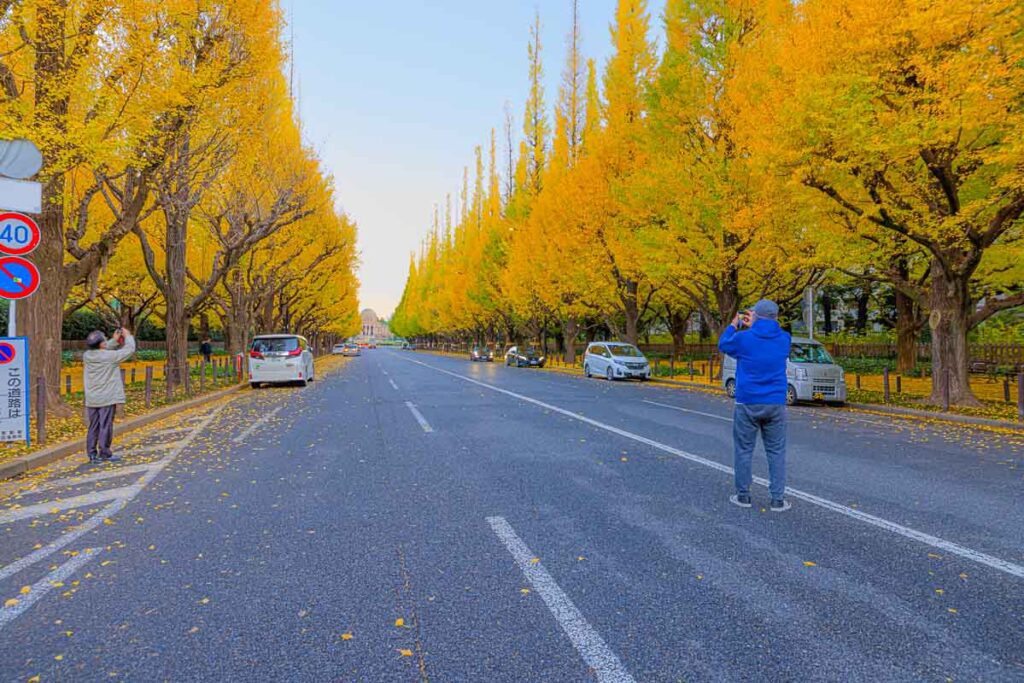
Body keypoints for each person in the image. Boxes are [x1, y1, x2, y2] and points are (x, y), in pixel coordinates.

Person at [717, 299, 792, 511]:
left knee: (744, 450)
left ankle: (743, 495)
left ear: (755, 316)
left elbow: (724, 344)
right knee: (776, 451)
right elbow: (769, 338)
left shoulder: (743, 339)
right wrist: (758, 323)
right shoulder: (785, 339)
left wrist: (735, 325)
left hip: (747, 401)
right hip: (776, 402)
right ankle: (777, 498)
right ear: (776, 318)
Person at [83, 327, 136, 465]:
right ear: (101, 344)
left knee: (93, 426)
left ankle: (92, 454)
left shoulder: (87, 355)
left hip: (92, 398)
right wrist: (128, 336)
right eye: (104, 340)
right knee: (105, 425)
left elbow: (103, 349)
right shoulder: (110, 357)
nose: (106, 341)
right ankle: (105, 453)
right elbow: (128, 350)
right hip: (106, 397)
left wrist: (114, 340)